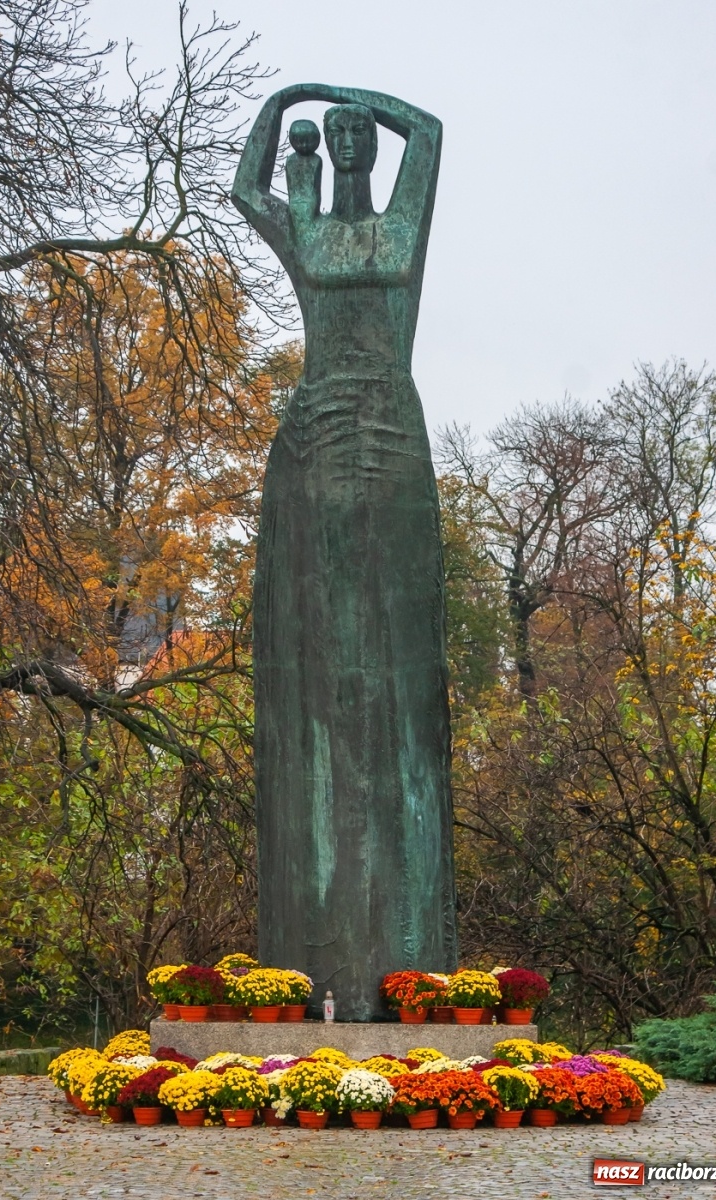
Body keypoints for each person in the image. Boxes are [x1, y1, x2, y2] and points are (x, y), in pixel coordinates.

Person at [232, 84, 457, 1021]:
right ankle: (317, 959)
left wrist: (334, 91)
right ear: (327, 151)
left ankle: (413, 963)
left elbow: (432, 132)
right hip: (318, 435)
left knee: (405, 677)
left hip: (394, 433)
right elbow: (247, 192)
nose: (359, 143)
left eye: (368, 132)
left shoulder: (404, 218)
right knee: (320, 676)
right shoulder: (307, 230)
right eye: (343, 136)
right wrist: (283, 100)